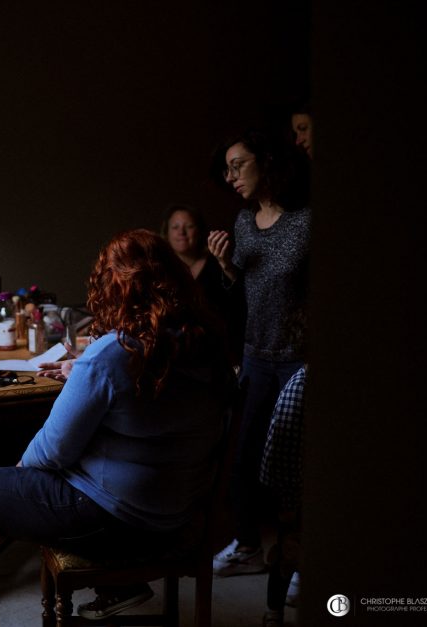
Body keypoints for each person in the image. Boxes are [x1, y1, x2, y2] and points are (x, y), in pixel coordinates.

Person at [0, 229, 236, 626]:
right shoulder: (207, 345)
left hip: (113, 522)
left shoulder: (113, 353)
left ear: (114, 288)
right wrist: (82, 372)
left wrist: (16, 480)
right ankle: (118, 588)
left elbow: (51, 452)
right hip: (176, 516)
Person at [207, 129, 310, 577]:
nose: (231, 177)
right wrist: (227, 267)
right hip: (255, 355)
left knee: (296, 467)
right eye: (226, 169)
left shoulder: (307, 220)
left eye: (238, 165)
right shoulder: (243, 222)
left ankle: (301, 560)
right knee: (240, 453)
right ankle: (247, 544)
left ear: (264, 162)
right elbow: (240, 298)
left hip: (298, 358)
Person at [161, 203, 245, 367]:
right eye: (175, 227)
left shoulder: (218, 262)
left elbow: (238, 299)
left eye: (189, 226)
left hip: (219, 349)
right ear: (166, 232)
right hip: (177, 353)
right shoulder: (161, 268)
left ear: (199, 231)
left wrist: (226, 264)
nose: (181, 233)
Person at [259, 366, 306, 626]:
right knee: (286, 552)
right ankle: (273, 611)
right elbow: (281, 453)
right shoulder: (301, 386)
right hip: (295, 493)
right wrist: (288, 503)